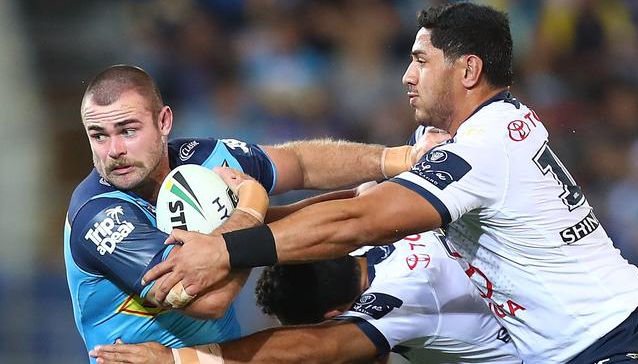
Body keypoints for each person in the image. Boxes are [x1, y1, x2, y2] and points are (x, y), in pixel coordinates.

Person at [143, 3, 638, 363]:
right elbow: (365, 200)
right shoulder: (471, 133)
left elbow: (360, 222)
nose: (407, 75)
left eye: (421, 60)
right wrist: (254, 218)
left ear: (468, 69)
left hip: (610, 342)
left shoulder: (482, 147)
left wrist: (230, 247)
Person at [64, 64, 440, 362]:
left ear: (164, 122)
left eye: (128, 130)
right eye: (98, 135)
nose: (113, 150)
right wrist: (251, 206)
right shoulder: (99, 215)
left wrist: (397, 160)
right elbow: (210, 301)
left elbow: (299, 163)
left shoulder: (201, 158)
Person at [90, 230, 522, 364]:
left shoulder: (396, 305)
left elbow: (309, 347)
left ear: (332, 314)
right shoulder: (386, 229)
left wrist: (175, 360)